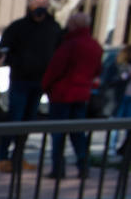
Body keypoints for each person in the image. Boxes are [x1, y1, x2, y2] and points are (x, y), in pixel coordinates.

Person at [0, 0, 63, 173]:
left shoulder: (53, 28)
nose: (40, 8)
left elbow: (59, 52)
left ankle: (18, 156)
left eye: (43, 4)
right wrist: (15, 62)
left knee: (28, 121)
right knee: (14, 119)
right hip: (20, 80)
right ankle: (3, 156)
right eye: (36, 3)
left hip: (40, 82)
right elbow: (4, 50)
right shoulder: (18, 27)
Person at [41, 12, 102, 180]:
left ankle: (58, 168)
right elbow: (97, 70)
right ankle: (83, 166)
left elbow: (55, 69)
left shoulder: (70, 45)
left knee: (58, 134)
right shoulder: (94, 45)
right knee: (78, 133)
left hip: (63, 94)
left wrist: (46, 86)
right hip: (81, 94)